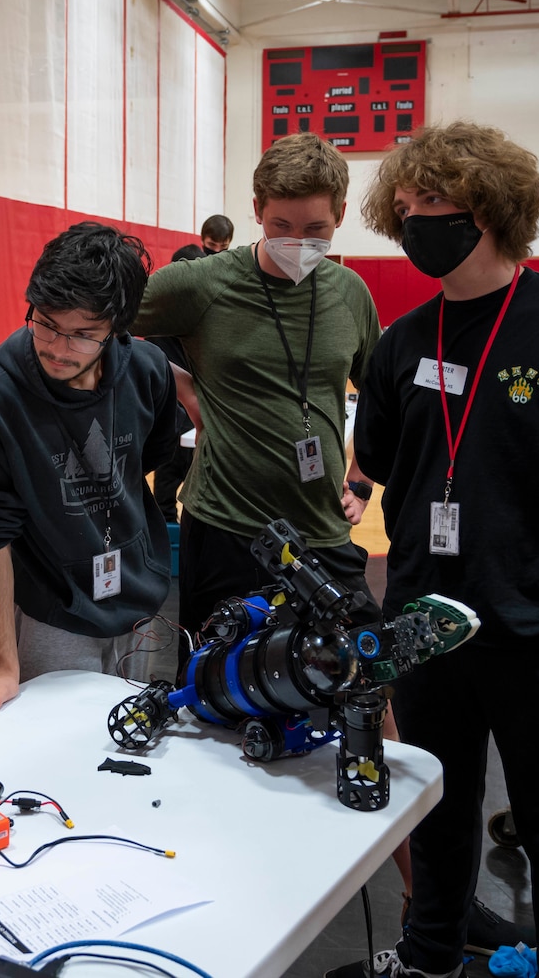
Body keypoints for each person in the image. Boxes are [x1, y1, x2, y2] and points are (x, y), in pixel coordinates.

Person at [335, 121, 539, 978]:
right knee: (438, 817)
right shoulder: (405, 341)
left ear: (489, 207)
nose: (413, 223)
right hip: (425, 627)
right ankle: (430, 959)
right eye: (402, 208)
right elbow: (375, 459)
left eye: (431, 205)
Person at [133, 133, 382, 676]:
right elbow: (101, 327)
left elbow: (382, 397)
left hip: (320, 527)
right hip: (225, 527)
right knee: (212, 685)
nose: (298, 241)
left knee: (361, 675)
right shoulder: (202, 284)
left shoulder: (351, 293)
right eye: (280, 227)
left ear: (340, 214)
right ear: (256, 212)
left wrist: (361, 479)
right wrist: (182, 384)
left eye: (316, 229)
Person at [0, 222, 178, 715]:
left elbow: (147, 459)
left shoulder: (148, 369)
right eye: (46, 323)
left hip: (140, 597)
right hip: (55, 613)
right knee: (61, 748)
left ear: (116, 329)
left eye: (82, 335)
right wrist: (4, 665)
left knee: (135, 736)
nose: (56, 347)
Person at [145, 244, 208, 523]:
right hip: (173, 421)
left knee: (194, 499)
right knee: (166, 499)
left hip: (199, 420)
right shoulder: (158, 316)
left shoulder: (209, 317)